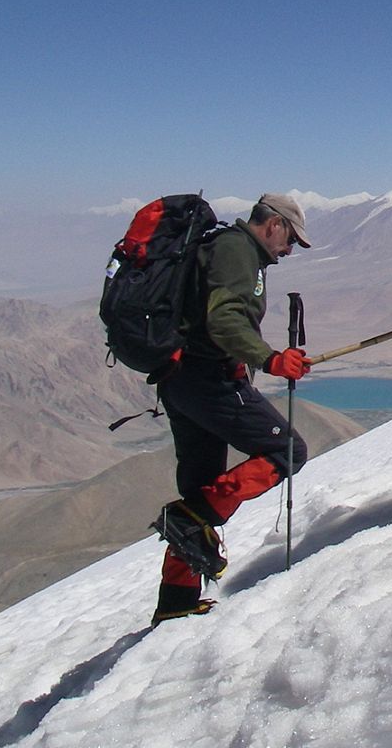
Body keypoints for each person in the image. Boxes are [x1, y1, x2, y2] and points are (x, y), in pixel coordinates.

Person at [149, 193, 314, 622]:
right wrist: (270, 358)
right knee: (287, 451)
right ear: (273, 224)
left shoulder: (220, 245)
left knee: (202, 484)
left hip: (181, 379)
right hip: (209, 379)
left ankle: (176, 601)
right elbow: (224, 320)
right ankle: (186, 521)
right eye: (290, 238)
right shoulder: (239, 251)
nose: (289, 249)